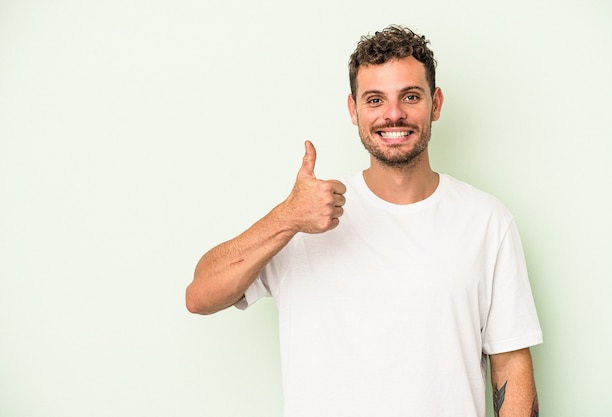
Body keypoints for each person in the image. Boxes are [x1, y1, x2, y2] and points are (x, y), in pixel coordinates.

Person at [186, 25, 542, 417]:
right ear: (354, 110)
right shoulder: (307, 217)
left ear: (435, 103)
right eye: (375, 99)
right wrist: (287, 218)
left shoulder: (486, 221)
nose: (394, 114)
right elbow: (200, 296)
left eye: (410, 96)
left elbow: (510, 364)